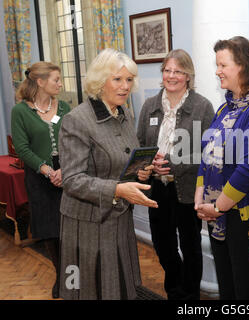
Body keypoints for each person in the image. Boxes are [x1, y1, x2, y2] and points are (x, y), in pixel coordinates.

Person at [58, 48, 157, 300]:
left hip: (119, 217)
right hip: (87, 223)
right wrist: (116, 189)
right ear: (101, 81)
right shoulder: (77, 120)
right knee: (90, 288)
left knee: (118, 285)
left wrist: (140, 173)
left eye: (129, 80)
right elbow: (72, 180)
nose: (125, 86)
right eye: (117, 79)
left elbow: (122, 162)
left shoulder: (123, 114)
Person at [195, 36, 249, 299]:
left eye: (222, 65)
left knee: (245, 290)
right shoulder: (222, 109)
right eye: (217, 65)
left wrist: (218, 207)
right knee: (227, 287)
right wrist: (199, 196)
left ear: (242, 66)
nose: (217, 71)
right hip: (216, 217)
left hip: (239, 217)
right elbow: (205, 157)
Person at [137, 49, 214, 300]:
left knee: (191, 246)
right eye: (167, 70)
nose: (172, 76)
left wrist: (173, 163)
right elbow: (140, 144)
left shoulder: (202, 107)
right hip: (156, 187)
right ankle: (174, 289)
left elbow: (209, 152)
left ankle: (189, 296)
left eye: (178, 71)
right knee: (162, 244)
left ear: (188, 76)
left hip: (188, 188)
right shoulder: (149, 105)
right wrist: (148, 164)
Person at [11, 62, 70, 299]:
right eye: (56, 79)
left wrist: (65, 169)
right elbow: (22, 149)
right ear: (40, 82)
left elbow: (74, 140)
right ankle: (62, 277)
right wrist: (48, 171)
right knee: (51, 232)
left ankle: (73, 276)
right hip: (39, 177)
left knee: (69, 231)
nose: (60, 84)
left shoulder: (65, 107)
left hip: (67, 174)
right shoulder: (20, 112)